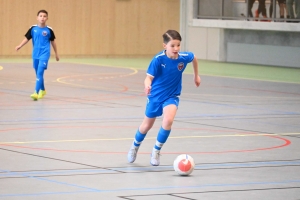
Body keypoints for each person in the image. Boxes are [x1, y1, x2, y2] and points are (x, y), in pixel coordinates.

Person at [127, 30, 201, 166]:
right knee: (146, 126)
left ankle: (156, 151)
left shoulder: (183, 57)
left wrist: (196, 75)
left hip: (172, 95)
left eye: (178, 45)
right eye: (172, 45)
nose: (176, 49)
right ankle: (134, 147)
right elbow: (148, 78)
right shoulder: (158, 60)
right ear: (164, 46)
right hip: (155, 96)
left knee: (168, 120)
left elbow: (194, 57)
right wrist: (147, 86)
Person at [15, 10, 59, 101]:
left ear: (47, 18)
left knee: (39, 73)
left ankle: (36, 92)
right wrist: (20, 45)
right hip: (35, 54)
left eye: (44, 16)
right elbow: (27, 38)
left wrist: (56, 53)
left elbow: (53, 42)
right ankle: (43, 90)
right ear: (37, 17)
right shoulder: (33, 28)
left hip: (45, 54)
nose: (42, 17)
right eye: (40, 16)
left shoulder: (49, 30)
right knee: (38, 74)